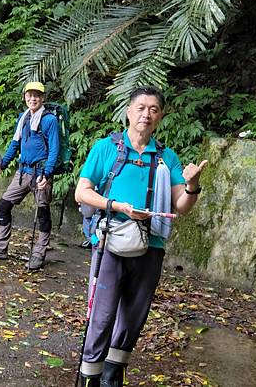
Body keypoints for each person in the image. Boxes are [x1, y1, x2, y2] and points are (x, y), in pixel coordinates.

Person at [74, 86, 208, 387]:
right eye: (141, 108)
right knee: (102, 315)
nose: (146, 114)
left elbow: (181, 207)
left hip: (151, 245)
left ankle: (113, 377)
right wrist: (117, 206)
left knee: (134, 317)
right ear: (128, 111)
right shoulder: (106, 148)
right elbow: (82, 192)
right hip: (110, 241)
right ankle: (89, 379)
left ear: (160, 117)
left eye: (154, 109)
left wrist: (192, 185)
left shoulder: (165, 157)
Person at [0, 81, 60, 270]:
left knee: (43, 214)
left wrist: (47, 174)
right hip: (23, 172)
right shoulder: (23, 118)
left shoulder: (49, 120)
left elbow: (54, 149)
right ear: (25, 97)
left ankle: (39, 254)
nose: (33, 98)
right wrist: (2, 164)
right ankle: (0, 248)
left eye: (37, 95)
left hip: (40, 174)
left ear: (43, 98)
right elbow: (15, 144)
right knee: (4, 205)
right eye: (30, 95)